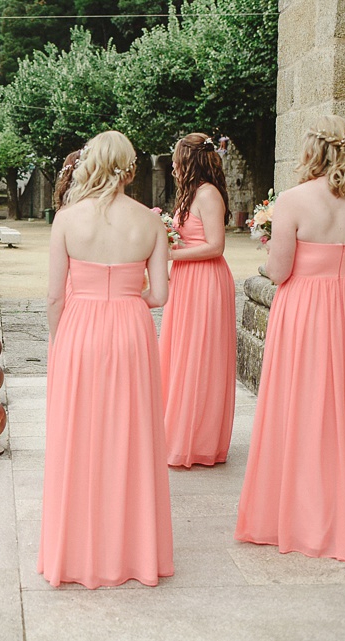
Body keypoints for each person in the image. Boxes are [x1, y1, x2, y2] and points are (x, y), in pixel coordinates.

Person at [234, 116, 345, 562]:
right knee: (336, 412)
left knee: (294, 407)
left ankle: (286, 516)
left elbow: (280, 270)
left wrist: (267, 259)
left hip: (304, 307)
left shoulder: (294, 200)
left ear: (312, 151)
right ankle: (326, 514)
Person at [38, 131, 173, 588]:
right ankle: (132, 553)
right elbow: (160, 295)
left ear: (91, 165)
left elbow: (55, 296)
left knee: (80, 436)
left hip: (79, 331)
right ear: (130, 169)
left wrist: (59, 346)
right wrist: (126, 291)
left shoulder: (67, 220)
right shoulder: (150, 222)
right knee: (130, 435)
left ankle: (76, 553)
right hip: (132, 332)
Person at [159, 133, 236, 467]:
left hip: (206, 281)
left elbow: (216, 246)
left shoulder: (208, 195)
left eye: (177, 160)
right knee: (181, 356)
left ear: (189, 161)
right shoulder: (188, 195)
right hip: (187, 281)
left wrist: (171, 252)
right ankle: (176, 431)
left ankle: (199, 440)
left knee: (200, 357)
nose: (174, 166)